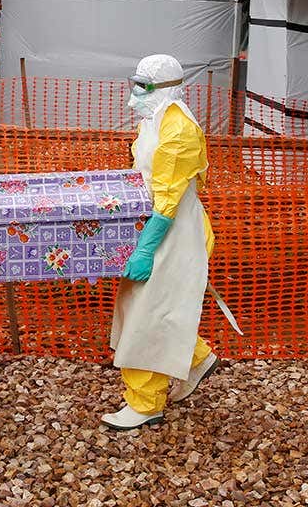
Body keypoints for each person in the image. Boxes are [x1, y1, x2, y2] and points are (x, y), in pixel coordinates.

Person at [102, 54, 220, 430]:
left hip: (173, 232)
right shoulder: (153, 121)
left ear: (164, 88)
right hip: (158, 227)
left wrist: (146, 248)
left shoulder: (179, 130)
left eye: (142, 87)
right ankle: (196, 358)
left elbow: (168, 198)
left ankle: (145, 403)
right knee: (151, 309)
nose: (134, 96)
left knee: (146, 319)